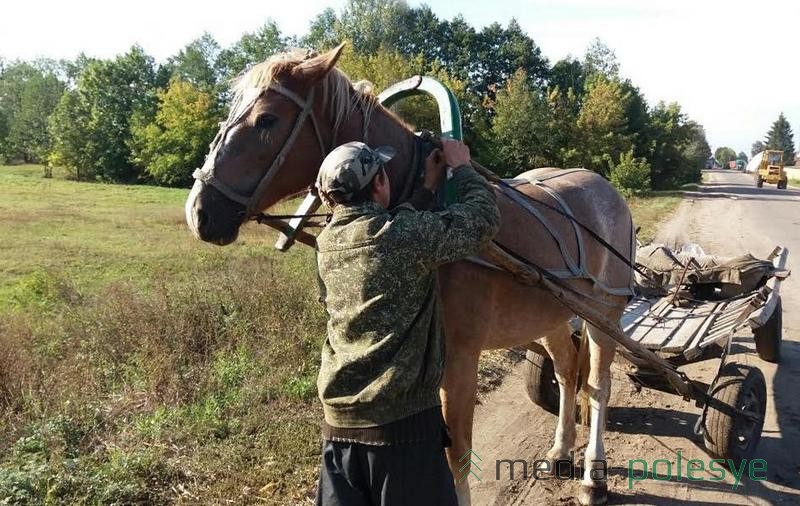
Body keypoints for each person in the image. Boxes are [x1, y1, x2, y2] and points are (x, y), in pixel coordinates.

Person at [313, 138, 500, 505]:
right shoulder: (405, 238)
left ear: (326, 196)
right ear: (381, 184)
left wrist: (427, 189)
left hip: (338, 429)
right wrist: (462, 168)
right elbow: (482, 220)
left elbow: (390, 224)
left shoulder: (326, 243)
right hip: (402, 435)